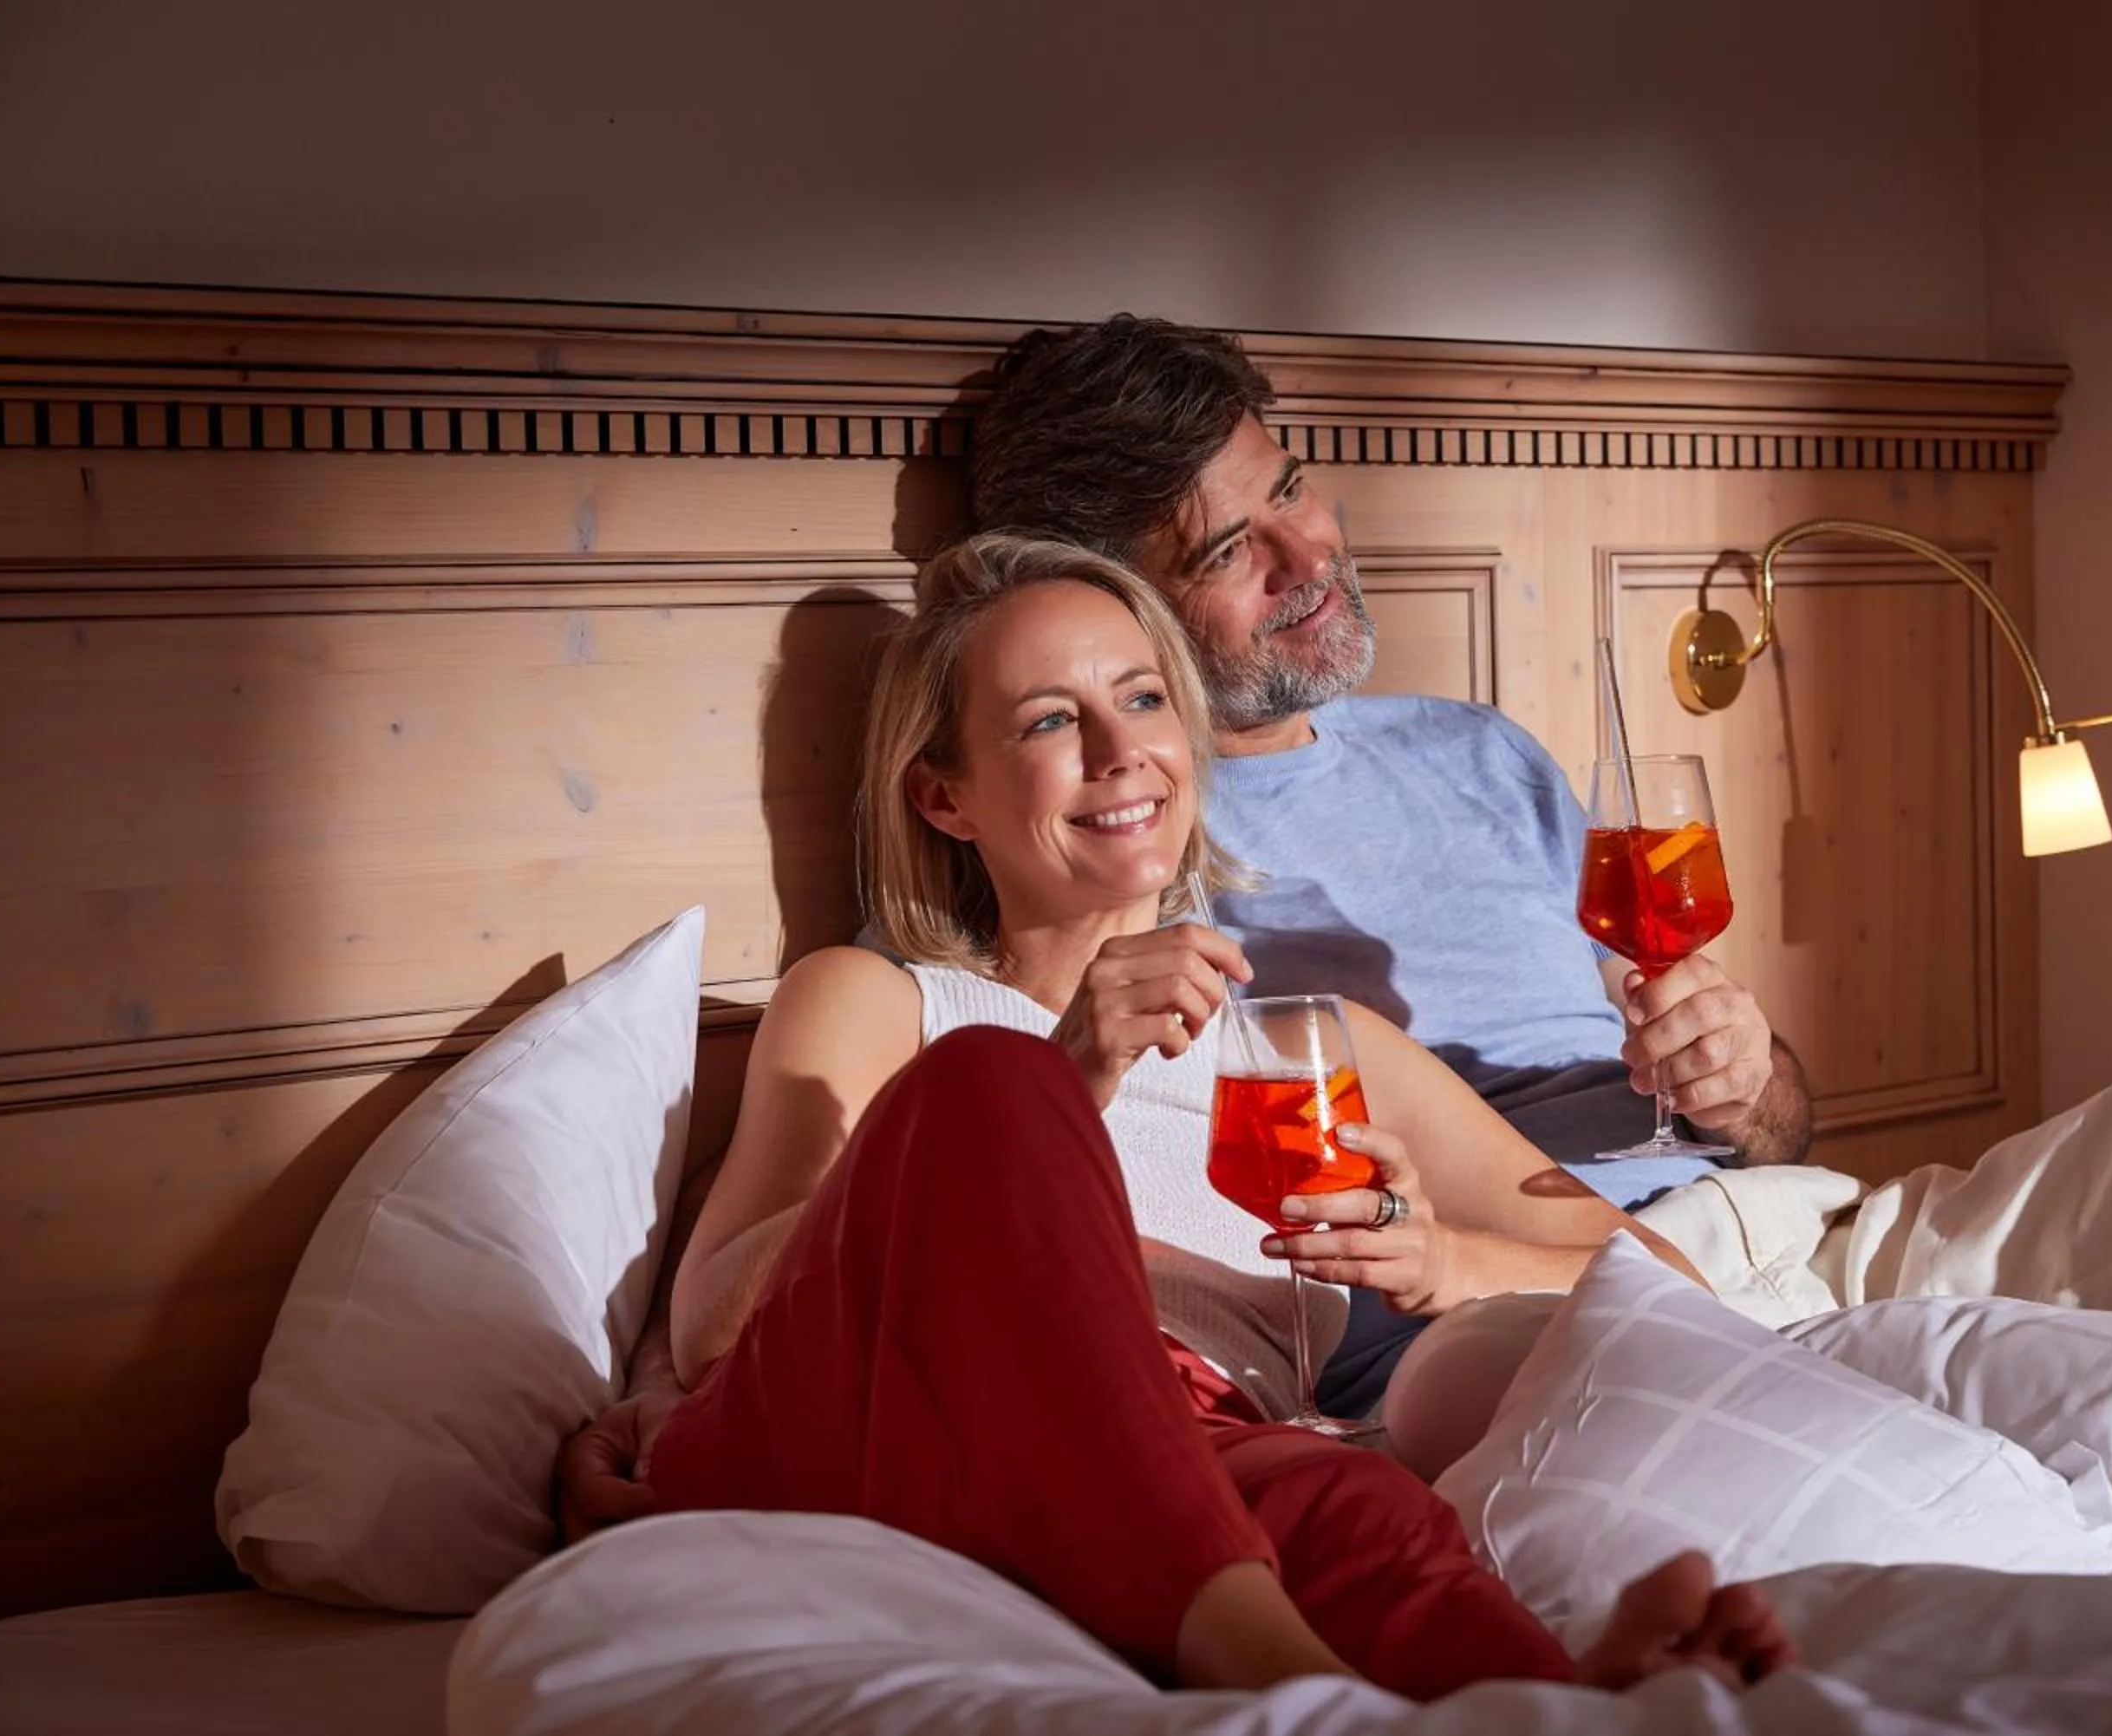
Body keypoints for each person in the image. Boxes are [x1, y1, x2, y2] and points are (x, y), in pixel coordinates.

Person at [962, 315, 2112, 1426]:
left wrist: (1749, 1087)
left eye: (1293, 480)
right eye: (1232, 547)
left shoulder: (1474, 749)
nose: (1313, 547)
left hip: (1800, 1220)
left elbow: (1774, 1111)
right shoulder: (1123, 855)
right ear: (1116, 601)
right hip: (1579, 1318)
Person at [612, 532, 1797, 1700]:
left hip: (1202, 1440)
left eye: (1142, 697)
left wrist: (1441, 1259)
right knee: (991, 1080)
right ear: (945, 795)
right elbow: (722, 1323)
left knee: (1361, 1505)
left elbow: (1651, 1272)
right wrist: (1066, 1075)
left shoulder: (1309, 1046)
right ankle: (1285, 1677)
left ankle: (1570, 1703)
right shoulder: (879, 999)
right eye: (1047, 720)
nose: (1121, 750)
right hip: (893, 1419)